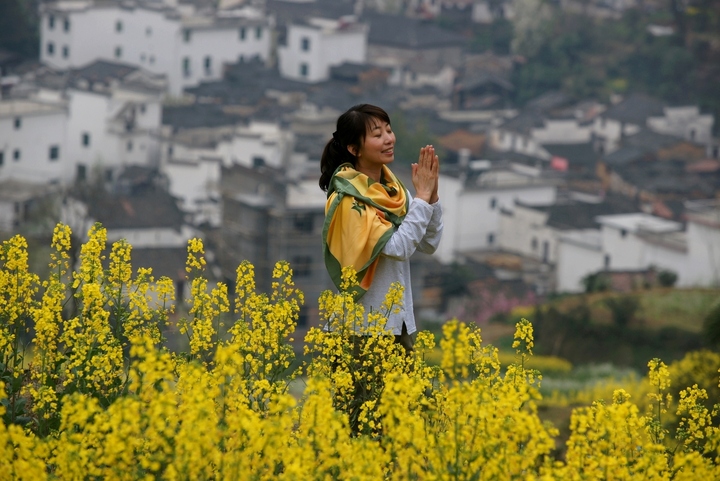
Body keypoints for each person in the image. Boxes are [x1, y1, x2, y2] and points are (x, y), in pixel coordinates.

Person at [319, 104, 443, 352]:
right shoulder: (349, 200)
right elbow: (398, 248)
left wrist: (432, 198)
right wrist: (421, 198)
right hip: (360, 329)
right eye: (377, 135)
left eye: (389, 130)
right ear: (354, 149)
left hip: (398, 323)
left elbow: (428, 244)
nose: (389, 139)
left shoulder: (393, 191)